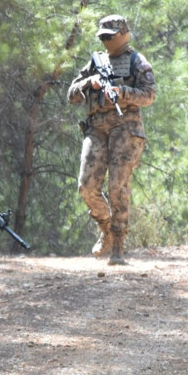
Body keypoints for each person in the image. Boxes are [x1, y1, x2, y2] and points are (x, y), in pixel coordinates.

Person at [67, 14, 156, 265]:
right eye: (102, 36)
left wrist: (122, 92)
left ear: (123, 34)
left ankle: (118, 246)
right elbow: (71, 94)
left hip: (125, 127)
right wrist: (89, 83)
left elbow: (149, 95)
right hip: (96, 128)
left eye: (110, 36)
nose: (105, 40)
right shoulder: (96, 61)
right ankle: (105, 227)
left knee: (118, 187)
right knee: (86, 186)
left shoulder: (137, 61)